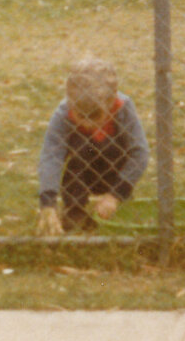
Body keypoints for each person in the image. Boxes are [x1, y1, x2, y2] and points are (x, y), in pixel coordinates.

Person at [37, 57, 150, 234]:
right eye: (80, 116)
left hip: (114, 163)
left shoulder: (123, 108)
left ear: (111, 100)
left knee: (117, 157)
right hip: (82, 163)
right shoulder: (63, 113)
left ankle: (117, 203)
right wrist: (48, 202)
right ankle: (75, 212)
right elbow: (51, 156)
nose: (88, 124)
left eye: (95, 115)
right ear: (70, 101)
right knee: (80, 151)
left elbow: (139, 153)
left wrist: (116, 194)